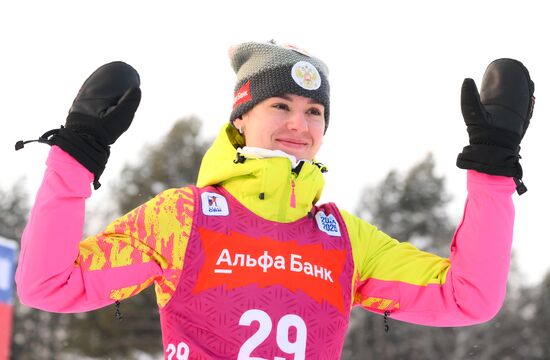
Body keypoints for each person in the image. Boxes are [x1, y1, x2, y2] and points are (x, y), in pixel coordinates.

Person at [15, 41, 535, 359]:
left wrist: (492, 169)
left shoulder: (343, 239)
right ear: (240, 119)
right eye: (280, 104)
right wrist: (77, 155)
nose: (298, 124)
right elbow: (48, 285)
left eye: (314, 112)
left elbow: (469, 297)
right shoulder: (182, 218)